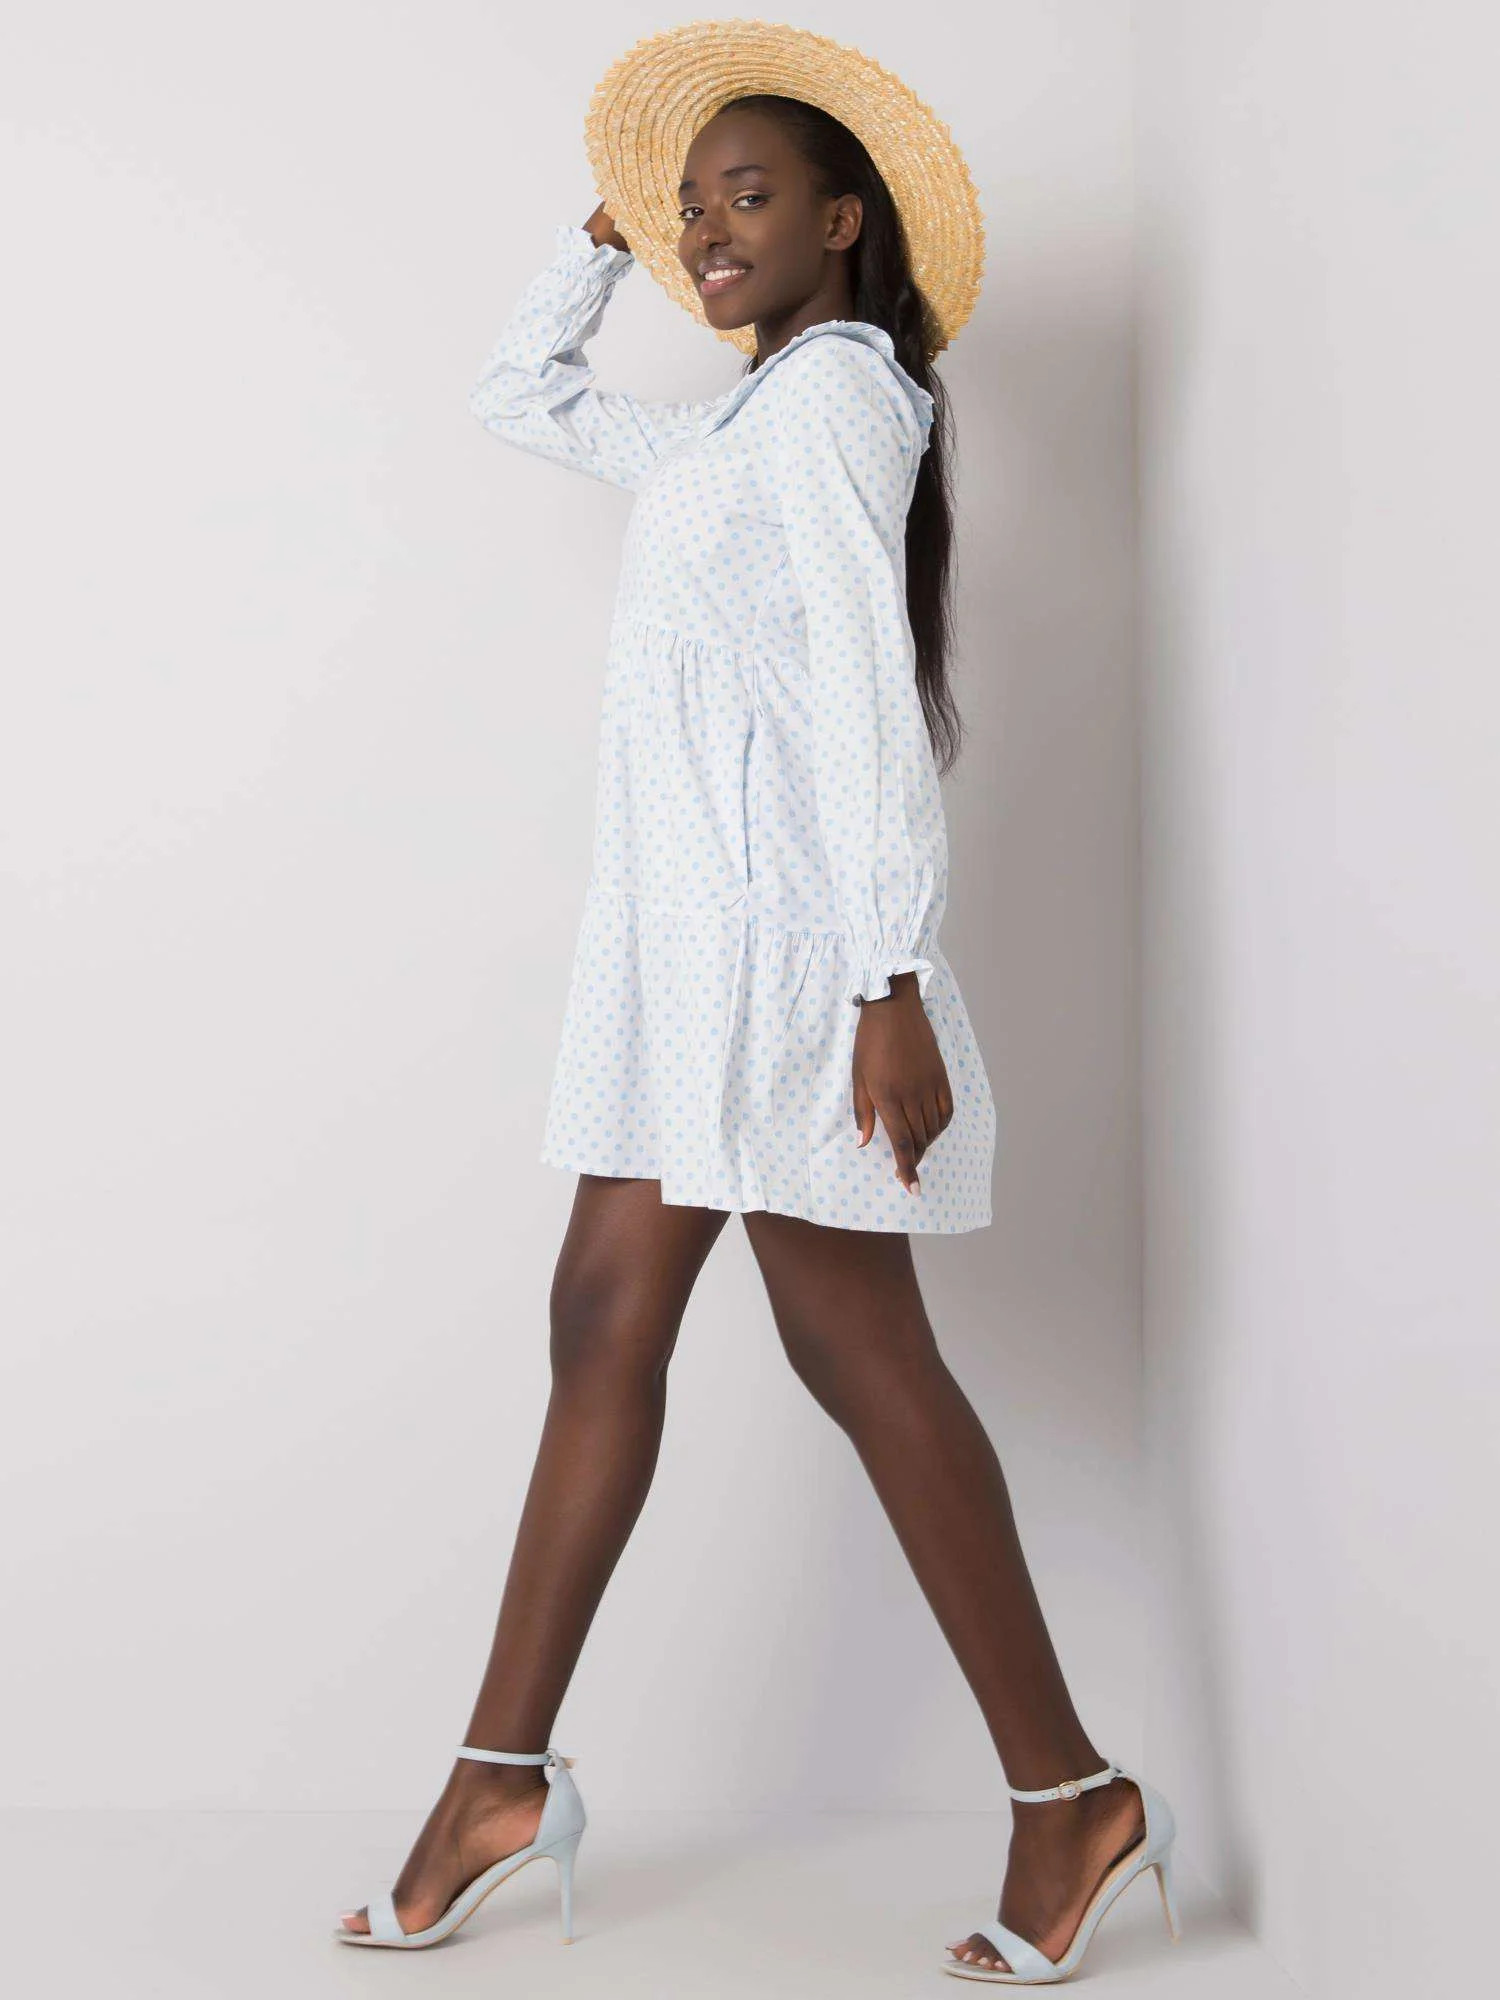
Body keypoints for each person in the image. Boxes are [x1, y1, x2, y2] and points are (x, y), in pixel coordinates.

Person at [335, 35, 1179, 1986]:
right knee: (622, 1317)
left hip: (792, 961)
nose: (711, 229)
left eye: (751, 196)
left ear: (844, 221)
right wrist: (603, 236)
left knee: (853, 1352)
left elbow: (871, 693)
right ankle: (501, 1778)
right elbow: (520, 395)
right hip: (691, 962)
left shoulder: (839, 403)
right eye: (692, 202)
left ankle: (1066, 1796)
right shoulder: (738, 425)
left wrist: (889, 979)